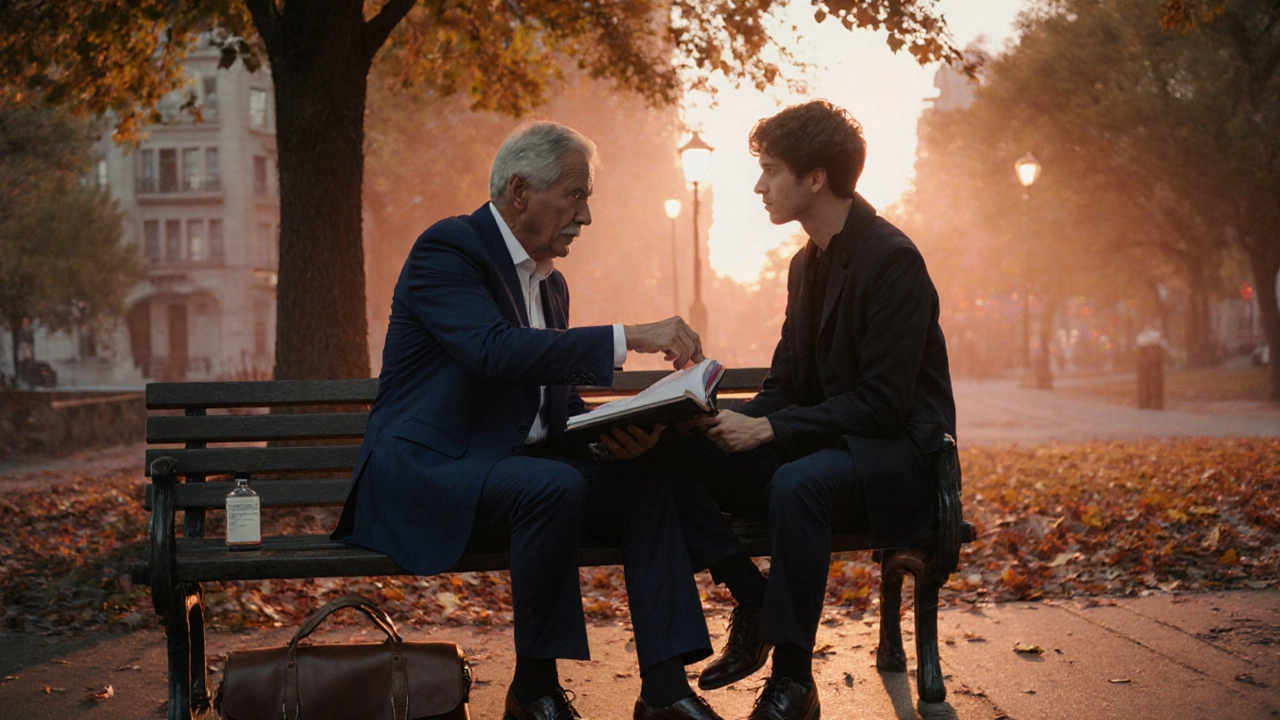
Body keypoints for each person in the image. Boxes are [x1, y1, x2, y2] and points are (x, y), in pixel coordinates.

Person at [333, 121, 724, 720]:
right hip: (434, 472)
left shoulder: (552, 284)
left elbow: (554, 407)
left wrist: (616, 430)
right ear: (520, 192)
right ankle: (534, 689)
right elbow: (494, 351)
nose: (585, 216)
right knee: (551, 486)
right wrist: (629, 336)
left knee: (643, 478)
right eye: (575, 195)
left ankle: (666, 690)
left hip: (514, 471)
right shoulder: (448, 250)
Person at [660, 100, 957, 720]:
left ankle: (793, 682)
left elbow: (882, 405)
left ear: (815, 178)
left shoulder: (893, 260)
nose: (758, 184)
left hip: (890, 460)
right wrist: (711, 417)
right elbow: (789, 382)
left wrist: (769, 427)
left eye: (770, 170)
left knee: (798, 484)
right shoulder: (805, 264)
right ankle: (754, 599)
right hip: (822, 449)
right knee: (674, 448)